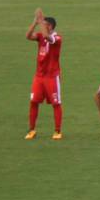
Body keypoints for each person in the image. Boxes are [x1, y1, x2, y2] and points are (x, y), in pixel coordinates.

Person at [24, 8, 63, 140]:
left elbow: (47, 37)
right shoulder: (40, 36)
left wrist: (40, 21)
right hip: (39, 76)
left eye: (44, 24)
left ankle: (57, 131)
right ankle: (31, 130)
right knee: (34, 102)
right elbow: (28, 36)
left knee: (56, 103)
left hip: (52, 77)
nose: (42, 26)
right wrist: (35, 22)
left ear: (50, 26)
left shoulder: (57, 38)